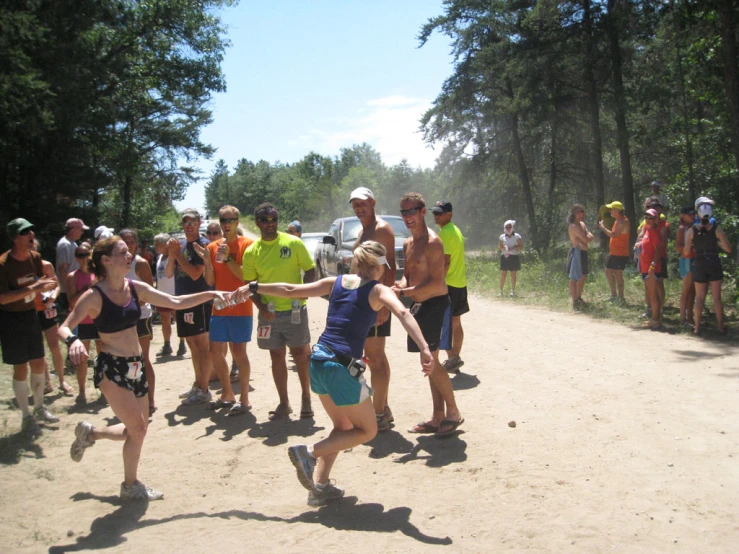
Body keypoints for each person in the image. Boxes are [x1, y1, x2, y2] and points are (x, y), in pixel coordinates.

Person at [233, 241, 432, 506]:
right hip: (340, 367)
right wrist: (425, 347)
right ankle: (309, 452)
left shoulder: (335, 282)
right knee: (368, 430)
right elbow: (403, 312)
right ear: (378, 267)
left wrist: (254, 287)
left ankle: (320, 486)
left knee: (342, 427)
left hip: (318, 361)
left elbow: (290, 290)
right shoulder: (378, 290)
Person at [59, 236, 230, 501]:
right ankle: (130, 486)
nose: (130, 255)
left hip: (136, 366)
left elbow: (176, 302)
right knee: (137, 429)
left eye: (130, 251)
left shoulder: (135, 288)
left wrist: (211, 294)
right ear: (106, 260)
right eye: (123, 252)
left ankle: (91, 433)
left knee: (136, 430)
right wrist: (73, 343)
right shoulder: (94, 295)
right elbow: (65, 326)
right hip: (112, 368)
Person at [394, 192, 463, 437]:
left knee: (431, 362)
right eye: (403, 212)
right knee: (428, 363)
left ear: (423, 211)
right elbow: (407, 274)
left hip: (435, 305)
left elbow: (439, 285)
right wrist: (401, 285)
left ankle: (453, 412)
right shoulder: (408, 243)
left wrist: (406, 292)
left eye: (411, 211)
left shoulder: (434, 242)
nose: (407, 217)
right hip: (418, 308)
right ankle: (437, 416)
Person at [242, 202, 316, 420]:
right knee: (276, 356)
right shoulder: (251, 252)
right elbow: (250, 284)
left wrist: (304, 292)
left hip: (294, 311)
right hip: (269, 313)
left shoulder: (293, 242)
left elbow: (310, 270)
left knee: (301, 355)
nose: (270, 224)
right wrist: (262, 307)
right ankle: (284, 402)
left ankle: (306, 399)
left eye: (273, 219)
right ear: (257, 223)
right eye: (265, 220)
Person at [193, 205, 254, 415]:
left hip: (241, 307)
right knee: (215, 352)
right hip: (219, 308)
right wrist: (207, 262)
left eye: (230, 220)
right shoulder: (212, 247)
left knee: (239, 353)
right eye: (223, 220)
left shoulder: (247, 245)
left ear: (237, 222)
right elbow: (210, 281)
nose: (226, 224)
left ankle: (244, 399)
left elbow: (247, 277)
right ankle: (227, 394)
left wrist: (228, 258)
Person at [1, 218, 60, 433]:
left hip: (31, 316)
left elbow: (43, 280)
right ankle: (26, 416)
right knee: (20, 368)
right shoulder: (3, 264)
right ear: (15, 238)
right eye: (25, 232)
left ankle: (39, 407)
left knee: (38, 363)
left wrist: (48, 289)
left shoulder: (35, 258)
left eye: (31, 231)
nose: (31, 234)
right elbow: (3, 298)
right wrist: (34, 288)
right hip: (11, 320)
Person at [350, 186, 396, 431]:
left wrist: (383, 306)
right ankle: (383, 407)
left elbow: (389, 268)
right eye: (354, 204)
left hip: (374, 302)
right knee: (374, 357)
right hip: (362, 302)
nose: (358, 208)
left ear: (373, 202)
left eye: (362, 203)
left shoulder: (381, 229)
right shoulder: (363, 231)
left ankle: (378, 414)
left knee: (376, 359)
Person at [166, 208, 213, 405]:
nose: (188, 226)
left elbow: (195, 274)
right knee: (193, 346)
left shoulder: (203, 245)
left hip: (200, 302)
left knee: (202, 346)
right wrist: (172, 255)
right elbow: (169, 273)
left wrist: (177, 256)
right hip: (183, 301)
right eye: (185, 222)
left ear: (199, 223)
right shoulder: (181, 245)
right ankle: (198, 384)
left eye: (192, 222)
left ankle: (204, 389)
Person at [120, 229, 157, 414]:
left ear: (136, 243)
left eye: (131, 241)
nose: (129, 245)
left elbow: (149, 292)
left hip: (141, 316)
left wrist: (129, 305)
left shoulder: (140, 263)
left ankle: (150, 400)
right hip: (122, 319)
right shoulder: (115, 264)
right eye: (125, 241)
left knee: (143, 358)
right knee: (129, 359)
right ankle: (135, 397)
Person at [30, 239, 73, 396]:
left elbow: (56, 285)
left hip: (47, 309)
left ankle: (62, 381)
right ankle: (47, 382)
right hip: (29, 311)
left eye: (34, 248)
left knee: (54, 346)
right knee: (38, 349)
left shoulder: (46, 265)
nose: (31, 251)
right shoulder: (20, 268)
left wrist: (52, 298)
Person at [432, 200, 470, 373]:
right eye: (435, 213)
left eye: (440, 213)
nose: (436, 216)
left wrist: (436, 282)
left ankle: (452, 357)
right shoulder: (456, 230)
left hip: (448, 284)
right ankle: (454, 359)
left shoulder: (446, 233)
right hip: (460, 283)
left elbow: (445, 262)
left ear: (449, 214)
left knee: (444, 324)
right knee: (456, 322)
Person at [684, 199, 731, 335]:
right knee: (717, 297)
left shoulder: (691, 231)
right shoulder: (717, 229)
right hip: (713, 262)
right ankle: (721, 327)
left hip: (699, 262)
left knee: (699, 297)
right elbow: (728, 249)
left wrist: (695, 245)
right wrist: (717, 244)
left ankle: (697, 328)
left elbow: (686, 252)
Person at [66, 242, 100, 405]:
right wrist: (87, 288)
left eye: (87, 254)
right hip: (83, 322)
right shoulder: (73, 276)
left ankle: (103, 391)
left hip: (100, 320)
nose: (84, 258)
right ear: (76, 258)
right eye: (80, 255)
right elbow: (72, 301)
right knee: (82, 359)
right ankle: (81, 392)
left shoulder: (99, 273)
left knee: (103, 358)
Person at [153, 233, 187, 357]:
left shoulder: (174, 258)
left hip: (174, 293)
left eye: (158, 244)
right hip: (162, 294)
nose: (155, 246)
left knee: (178, 319)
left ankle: (182, 343)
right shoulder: (159, 257)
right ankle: (167, 344)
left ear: (166, 245)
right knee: (164, 320)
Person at [634, 209, 663, 329]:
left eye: (651, 218)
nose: (648, 220)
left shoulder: (655, 233)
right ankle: (654, 318)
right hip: (645, 266)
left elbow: (657, 250)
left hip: (651, 268)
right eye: (646, 217)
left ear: (656, 220)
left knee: (652, 294)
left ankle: (655, 320)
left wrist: (653, 265)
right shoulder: (646, 230)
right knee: (650, 294)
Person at [598, 201, 630, 303]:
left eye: (612, 209)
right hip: (614, 252)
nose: (610, 211)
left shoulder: (623, 222)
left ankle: (621, 298)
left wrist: (602, 227)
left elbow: (613, 235)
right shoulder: (618, 220)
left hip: (620, 253)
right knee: (608, 272)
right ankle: (613, 296)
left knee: (618, 273)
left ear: (617, 210)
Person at [56, 218, 89, 314]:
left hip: (73, 289)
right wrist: (69, 291)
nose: (82, 232)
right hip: (67, 291)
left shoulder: (72, 243)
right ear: (73, 229)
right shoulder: (65, 244)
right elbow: (62, 269)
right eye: (81, 230)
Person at [566, 204, 594, 307]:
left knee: (583, 275)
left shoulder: (582, 224)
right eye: (580, 211)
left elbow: (590, 236)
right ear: (575, 213)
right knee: (574, 277)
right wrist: (586, 238)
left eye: (583, 211)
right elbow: (587, 238)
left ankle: (579, 297)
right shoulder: (573, 226)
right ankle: (575, 300)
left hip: (583, 252)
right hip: (577, 252)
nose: (583, 213)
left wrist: (587, 238)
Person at [675, 206, 696, 327]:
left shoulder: (693, 227)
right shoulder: (682, 229)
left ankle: (690, 318)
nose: (692, 216)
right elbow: (678, 247)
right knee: (686, 290)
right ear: (683, 216)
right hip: (687, 260)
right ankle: (683, 319)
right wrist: (690, 246)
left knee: (692, 291)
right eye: (690, 214)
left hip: (694, 260)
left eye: (693, 213)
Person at [498, 220, 523, 298]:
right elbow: (499, 246)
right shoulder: (502, 236)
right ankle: (501, 291)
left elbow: (521, 246)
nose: (508, 228)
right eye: (506, 227)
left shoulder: (517, 236)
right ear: (504, 227)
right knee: (503, 274)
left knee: (513, 274)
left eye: (509, 227)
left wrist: (514, 247)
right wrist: (504, 247)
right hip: (505, 257)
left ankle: (513, 291)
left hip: (514, 257)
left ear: (512, 227)